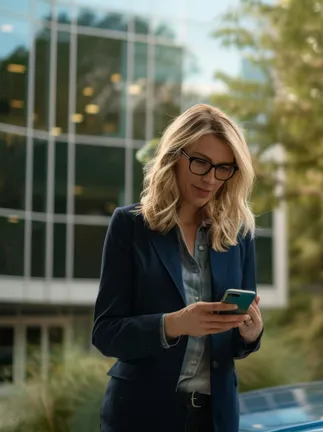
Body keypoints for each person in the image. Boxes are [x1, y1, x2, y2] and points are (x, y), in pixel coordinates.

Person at [92, 104, 264, 432]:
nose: (211, 178)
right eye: (200, 162)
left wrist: (251, 333)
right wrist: (174, 324)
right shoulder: (131, 226)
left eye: (224, 168)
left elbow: (239, 343)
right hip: (141, 416)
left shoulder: (237, 233)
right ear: (175, 155)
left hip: (215, 419)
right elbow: (106, 333)